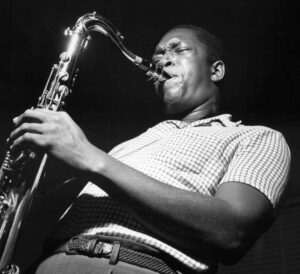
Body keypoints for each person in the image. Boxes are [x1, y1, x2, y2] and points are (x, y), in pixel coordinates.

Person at [9, 25, 290, 273]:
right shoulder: (128, 145)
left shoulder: (255, 137)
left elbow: (233, 231)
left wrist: (91, 158)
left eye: (178, 50)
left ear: (215, 70)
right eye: (157, 56)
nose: (162, 60)